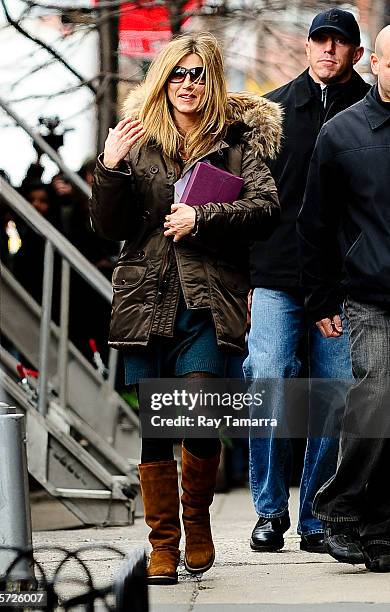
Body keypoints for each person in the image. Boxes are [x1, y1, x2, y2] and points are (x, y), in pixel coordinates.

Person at [90, 32, 281, 584]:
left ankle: (196, 521)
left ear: (213, 79)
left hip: (206, 300)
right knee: (156, 426)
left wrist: (204, 220)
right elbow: (110, 227)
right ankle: (163, 545)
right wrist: (111, 167)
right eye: (178, 73)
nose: (188, 84)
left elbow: (265, 208)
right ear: (163, 79)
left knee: (196, 414)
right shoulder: (139, 139)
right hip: (147, 300)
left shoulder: (235, 142)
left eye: (198, 74)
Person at [243, 8, 370, 554]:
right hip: (276, 276)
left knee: (335, 396)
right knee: (268, 377)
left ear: (357, 54)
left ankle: (316, 514)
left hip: (344, 285)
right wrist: (246, 278)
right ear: (307, 47)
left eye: (340, 43)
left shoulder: (373, 113)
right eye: (320, 40)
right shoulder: (269, 110)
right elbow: (248, 198)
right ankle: (269, 511)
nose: (329, 50)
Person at [298, 25, 390, 573]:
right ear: (374, 63)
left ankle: (378, 526)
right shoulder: (342, 133)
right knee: (378, 393)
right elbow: (315, 224)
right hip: (369, 294)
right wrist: (321, 297)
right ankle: (338, 504)